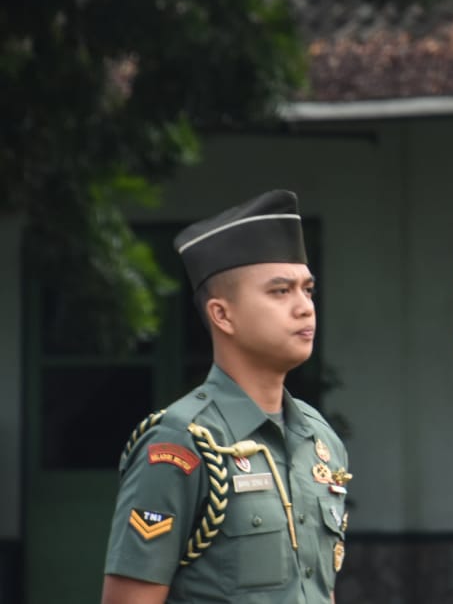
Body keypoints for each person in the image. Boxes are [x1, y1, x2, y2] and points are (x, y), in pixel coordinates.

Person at [101, 189, 350, 604]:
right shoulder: (180, 443)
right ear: (222, 314)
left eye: (308, 290)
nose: (304, 307)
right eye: (280, 291)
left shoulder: (320, 441)